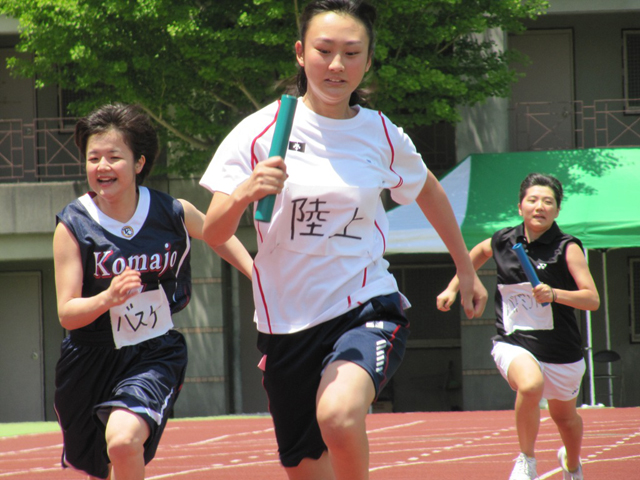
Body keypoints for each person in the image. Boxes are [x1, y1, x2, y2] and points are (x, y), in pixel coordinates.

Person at [199, 1, 487, 479]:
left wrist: (465, 266)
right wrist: (245, 192)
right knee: (306, 468)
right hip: (286, 322)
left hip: (365, 306)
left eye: (352, 53)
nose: (337, 65)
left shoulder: (381, 134)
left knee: (338, 413)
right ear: (299, 53)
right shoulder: (257, 133)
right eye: (324, 50)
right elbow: (214, 232)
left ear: (368, 61)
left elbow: (430, 193)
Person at [53, 103, 253, 480]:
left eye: (114, 157)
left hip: (152, 351)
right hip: (89, 357)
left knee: (124, 441)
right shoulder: (73, 225)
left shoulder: (171, 211)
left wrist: (258, 276)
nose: (102, 166)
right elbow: (67, 312)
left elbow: (216, 234)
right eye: (93, 158)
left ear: (139, 163)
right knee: (102, 461)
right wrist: (107, 299)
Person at [437, 173, 600, 480]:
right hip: (514, 342)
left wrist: (554, 293)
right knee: (529, 384)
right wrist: (455, 287)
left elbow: (592, 300)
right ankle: (526, 459)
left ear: (557, 210)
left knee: (565, 419)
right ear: (521, 206)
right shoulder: (505, 240)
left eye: (548, 202)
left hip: (562, 350)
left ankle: (573, 462)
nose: (540, 206)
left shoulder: (567, 248)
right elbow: (478, 252)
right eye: (533, 200)